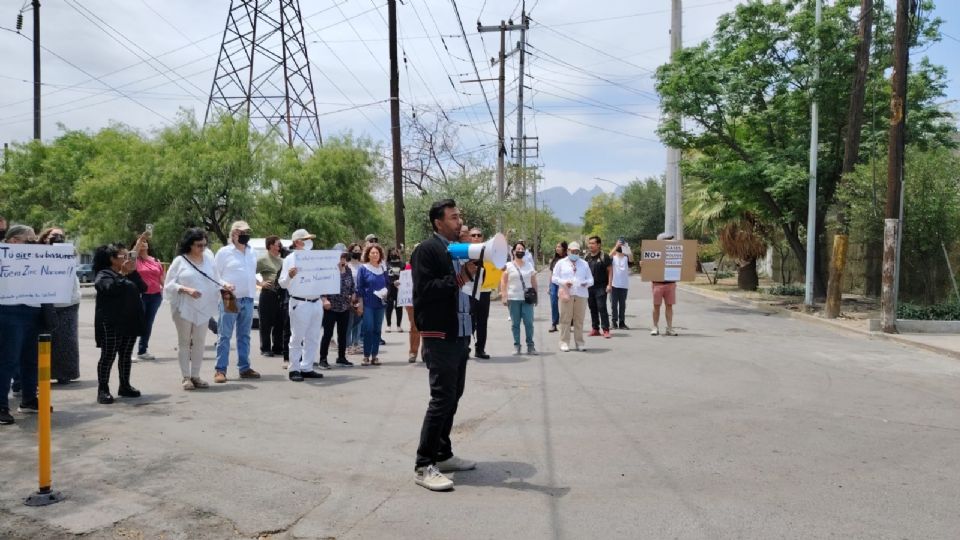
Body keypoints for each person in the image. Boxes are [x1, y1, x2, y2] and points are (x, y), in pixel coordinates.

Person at [411, 199, 478, 492]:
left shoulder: (455, 250)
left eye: (459, 216)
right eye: (453, 217)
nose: (459, 221)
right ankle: (424, 465)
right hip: (440, 335)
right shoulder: (427, 249)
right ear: (438, 223)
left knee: (453, 396)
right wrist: (463, 276)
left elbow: (464, 289)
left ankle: (443, 453)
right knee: (441, 399)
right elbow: (425, 291)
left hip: (460, 333)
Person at [164, 228, 228, 390]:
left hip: (203, 307)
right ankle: (186, 377)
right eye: (199, 245)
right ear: (190, 245)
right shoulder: (180, 261)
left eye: (205, 245)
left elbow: (216, 279)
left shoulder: (208, 260)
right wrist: (186, 289)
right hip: (183, 307)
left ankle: (196, 376)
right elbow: (169, 284)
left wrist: (225, 285)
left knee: (200, 342)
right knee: (185, 342)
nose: (202, 248)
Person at [93, 243, 146, 404]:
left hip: (130, 321)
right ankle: (103, 389)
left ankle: (125, 385)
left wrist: (133, 272)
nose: (127, 259)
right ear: (112, 259)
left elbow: (143, 287)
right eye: (123, 256)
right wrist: (122, 274)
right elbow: (110, 289)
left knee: (125, 355)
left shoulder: (129, 273)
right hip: (111, 322)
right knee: (108, 355)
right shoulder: (104, 274)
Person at [0, 225, 42, 424]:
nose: (34, 244)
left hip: (32, 309)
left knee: (31, 359)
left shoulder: (36, 257)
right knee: (8, 360)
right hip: (8, 310)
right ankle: (1, 405)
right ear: (14, 241)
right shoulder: (2, 255)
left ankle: (29, 399)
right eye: (30, 240)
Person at [213, 220, 261, 383]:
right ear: (234, 234)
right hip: (229, 297)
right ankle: (220, 370)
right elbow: (215, 275)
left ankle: (244, 367)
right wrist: (224, 285)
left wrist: (258, 281)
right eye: (242, 232)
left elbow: (251, 272)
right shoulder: (224, 252)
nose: (246, 235)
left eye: (248, 231)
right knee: (225, 335)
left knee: (244, 335)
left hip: (248, 297)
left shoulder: (252, 252)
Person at [278, 229, 324, 382]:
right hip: (300, 302)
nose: (310, 241)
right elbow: (282, 284)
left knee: (313, 337)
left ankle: (307, 367)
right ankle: (294, 368)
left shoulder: (316, 258)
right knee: (297, 337)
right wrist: (290, 276)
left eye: (310, 239)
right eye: (306, 239)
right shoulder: (289, 259)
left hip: (316, 301)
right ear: (297, 242)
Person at [38, 226, 81, 384]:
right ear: (45, 237)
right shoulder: (36, 252)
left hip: (69, 302)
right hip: (45, 302)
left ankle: (65, 374)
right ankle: (40, 375)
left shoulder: (68, 251)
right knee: (44, 339)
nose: (58, 238)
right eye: (54, 235)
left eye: (61, 236)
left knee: (67, 340)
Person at [551, 241, 593, 352]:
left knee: (579, 319)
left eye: (577, 251)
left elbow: (591, 280)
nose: (575, 253)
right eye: (572, 251)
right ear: (568, 251)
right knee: (565, 319)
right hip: (566, 294)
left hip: (581, 294)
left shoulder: (584, 264)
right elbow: (554, 278)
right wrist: (564, 282)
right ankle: (564, 342)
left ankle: (579, 343)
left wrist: (586, 283)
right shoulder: (561, 263)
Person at [319, 250, 356, 369]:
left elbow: (352, 286)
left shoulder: (348, 270)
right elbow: (322, 286)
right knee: (328, 334)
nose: (342, 260)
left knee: (342, 334)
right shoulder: (329, 270)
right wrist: (324, 299)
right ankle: (323, 359)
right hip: (331, 307)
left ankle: (341, 357)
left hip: (344, 306)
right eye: (340, 258)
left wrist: (352, 295)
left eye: (344, 257)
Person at [501, 242, 538, 355]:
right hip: (513, 298)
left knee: (529, 323)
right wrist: (504, 295)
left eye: (522, 249)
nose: (520, 250)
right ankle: (517, 345)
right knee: (515, 324)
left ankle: (530, 346)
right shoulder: (508, 265)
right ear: (513, 252)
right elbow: (503, 281)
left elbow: (533, 281)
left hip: (527, 299)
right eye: (518, 249)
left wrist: (536, 297)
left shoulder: (529, 265)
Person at [132, 231, 165, 361]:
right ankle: (127, 350)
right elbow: (133, 252)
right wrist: (141, 238)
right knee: (136, 323)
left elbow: (161, 278)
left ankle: (142, 350)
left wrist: (167, 290)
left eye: (145, 241)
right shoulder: (134, 260)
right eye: (140, 242)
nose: (143, 243)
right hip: (141, 296)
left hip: (156, 296)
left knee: (148, 324)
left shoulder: (155, 260)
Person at [356, 244, 388, 366]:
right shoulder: (363, 268)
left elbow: (387, 284)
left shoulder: (382, 268)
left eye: (377, 253)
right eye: (372, 253)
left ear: (380, 255)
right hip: (368, 303)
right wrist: (360, 304)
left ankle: (375, 356)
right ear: (368, 254)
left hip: (380, 304)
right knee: (368, 329)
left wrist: (388, 290)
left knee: (377, 330)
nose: (375, 255)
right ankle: (366, 356)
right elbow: (359, 287)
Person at [257, 235, 286, 358]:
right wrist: (260, 283)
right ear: (270, 245)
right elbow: (249, 273)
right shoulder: (263, 259)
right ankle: (266, 348)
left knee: (280, 322)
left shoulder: (283, 261)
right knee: (266, 323)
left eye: (280, 244)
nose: (280, 246)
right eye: (278, 244)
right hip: (268, 294)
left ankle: (278, 347)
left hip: (280, 294)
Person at [468, 228, 492, 359]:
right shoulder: (465, 252)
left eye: (479, 235)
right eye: (473, 235)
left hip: (484, 291)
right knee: (469, 321)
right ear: (469, 237)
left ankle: (480, 349)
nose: (476, 237)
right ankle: (465, 348)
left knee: (482, 322)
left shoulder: (489, 252)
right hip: (469, 291)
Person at [584, 236, 613, 338]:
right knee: (593, 308)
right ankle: (595, 329)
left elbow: (610, 271)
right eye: (589, 243)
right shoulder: (587, 257)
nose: (590, 245)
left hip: (601, 286)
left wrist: (609, 284)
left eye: (592, 243)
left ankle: (605, 329)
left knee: (602, 307)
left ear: (598, 245)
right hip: (589, 287)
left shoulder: (604, 256)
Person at [651, 232, 679, 336]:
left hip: (670, 283)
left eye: (670, 239)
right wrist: (643, 264)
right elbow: (648, 268)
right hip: (657, 283)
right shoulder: (653, 252)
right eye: (667, 239)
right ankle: (655, 327)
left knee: (669, 306)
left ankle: (669, 328)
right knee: (656, 306)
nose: (670, 241)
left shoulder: (674, 253)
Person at [609, 238, 632, 330]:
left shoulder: (626, 258)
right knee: (613, 305)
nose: (621, 246)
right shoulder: (613, 259)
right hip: (614, 284)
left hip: (624, 285)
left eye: (622, 244)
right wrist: (616, 246)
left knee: (622, 305)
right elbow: (608, 256)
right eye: (620, 244)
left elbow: (632, 259)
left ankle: (622, 322)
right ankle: (614, 322)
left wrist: (627, 248)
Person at [346, 242, 364, 355]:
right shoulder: (347, 266)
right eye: (355, 251)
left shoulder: (362, 266)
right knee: (349, 321)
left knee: (358, 321)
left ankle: (356, 343)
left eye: (359, 251)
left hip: (360, 296)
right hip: (348, 297)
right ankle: (347, 345)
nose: (357, 253)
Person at [547, 242, 568, 333]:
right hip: (554, 284)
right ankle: (554, 323)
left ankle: (567, 323)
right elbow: (551, 274)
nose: (557, 248)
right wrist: (549, 286)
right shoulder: (554, 260)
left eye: (559, 247)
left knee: (566, 304)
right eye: (556, 246)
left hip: (565, 284)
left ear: (564, 248)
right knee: (554, 303)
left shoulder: (568, 259)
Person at [384, 248, 404, 333]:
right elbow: (385, 277)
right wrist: (392, 282)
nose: (394, 254)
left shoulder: (402, 264)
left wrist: (400, 282)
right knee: (389, 307)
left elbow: (405, 276)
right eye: (392, 253)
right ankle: (388, 325)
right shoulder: (386, 264)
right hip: (390, 289)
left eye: (396, 252)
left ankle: (399, 325)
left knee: (399, 307)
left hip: (400, 289)